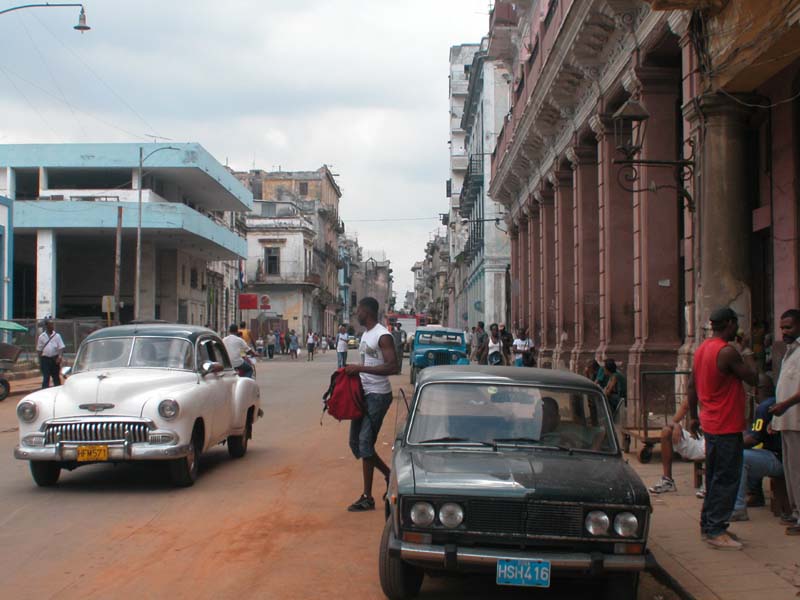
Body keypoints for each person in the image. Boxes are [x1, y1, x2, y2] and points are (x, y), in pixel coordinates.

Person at [688, 307, 758, 550]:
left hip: (710, 422)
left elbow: (691, 385)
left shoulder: (702, 350)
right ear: (729, 324)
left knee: (714, 476)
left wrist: (692, 416)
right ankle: (716, 529)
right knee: (727, 478)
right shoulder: (727, 352)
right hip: (726, 425)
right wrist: (746, 348)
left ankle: (709, 525)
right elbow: (753, 377)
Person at [344, 297, 399, 512]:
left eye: (359, 310)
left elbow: (392, 366)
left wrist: (360, 369)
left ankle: (367, 496)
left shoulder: (382, 335)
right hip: (364, 394)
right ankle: (388, 475)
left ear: (366, 311)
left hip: (378, 395)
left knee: (365, 443)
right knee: (355, 444)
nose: (357, 313)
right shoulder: (366, 334)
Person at [730, 373, 783, 521]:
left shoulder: (765, 406)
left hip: (780, 460)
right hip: (784, 458)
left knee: (740, 456)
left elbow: (754, 438)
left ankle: (738, 508)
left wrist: (731, 444)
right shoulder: (779, 401)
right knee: (753, 452)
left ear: (756, 391)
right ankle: (756, 494)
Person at [770, 308, 800, 535]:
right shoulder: (790, 351)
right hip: (786, 421)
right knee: (790, 470)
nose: (784, 332)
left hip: (796, 420)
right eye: (782, 328)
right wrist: (775, 416)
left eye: (788, 327)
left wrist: (784, 405)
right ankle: (796, 511)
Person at [649, 397, 706, 494]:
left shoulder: (714, 400)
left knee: (714, 438)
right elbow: (673, 421)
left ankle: (709, 484)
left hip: (711, 441)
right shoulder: (689, 400)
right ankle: (667, 481)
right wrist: (676, 426)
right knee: (666, 431)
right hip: (696, 441)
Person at [37, 319, 65, 389]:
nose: (52, 326)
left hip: (54, 359)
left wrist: (60, 357)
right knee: (46, 377)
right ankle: (44, 392)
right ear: (46, 326)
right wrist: (40, 361)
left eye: (52, 324)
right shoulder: (41, 337)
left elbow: (61, 347)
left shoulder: (57, 336)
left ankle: (58, 391)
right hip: (45, 359)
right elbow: (39, 350)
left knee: (56, 377)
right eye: (50, 324)